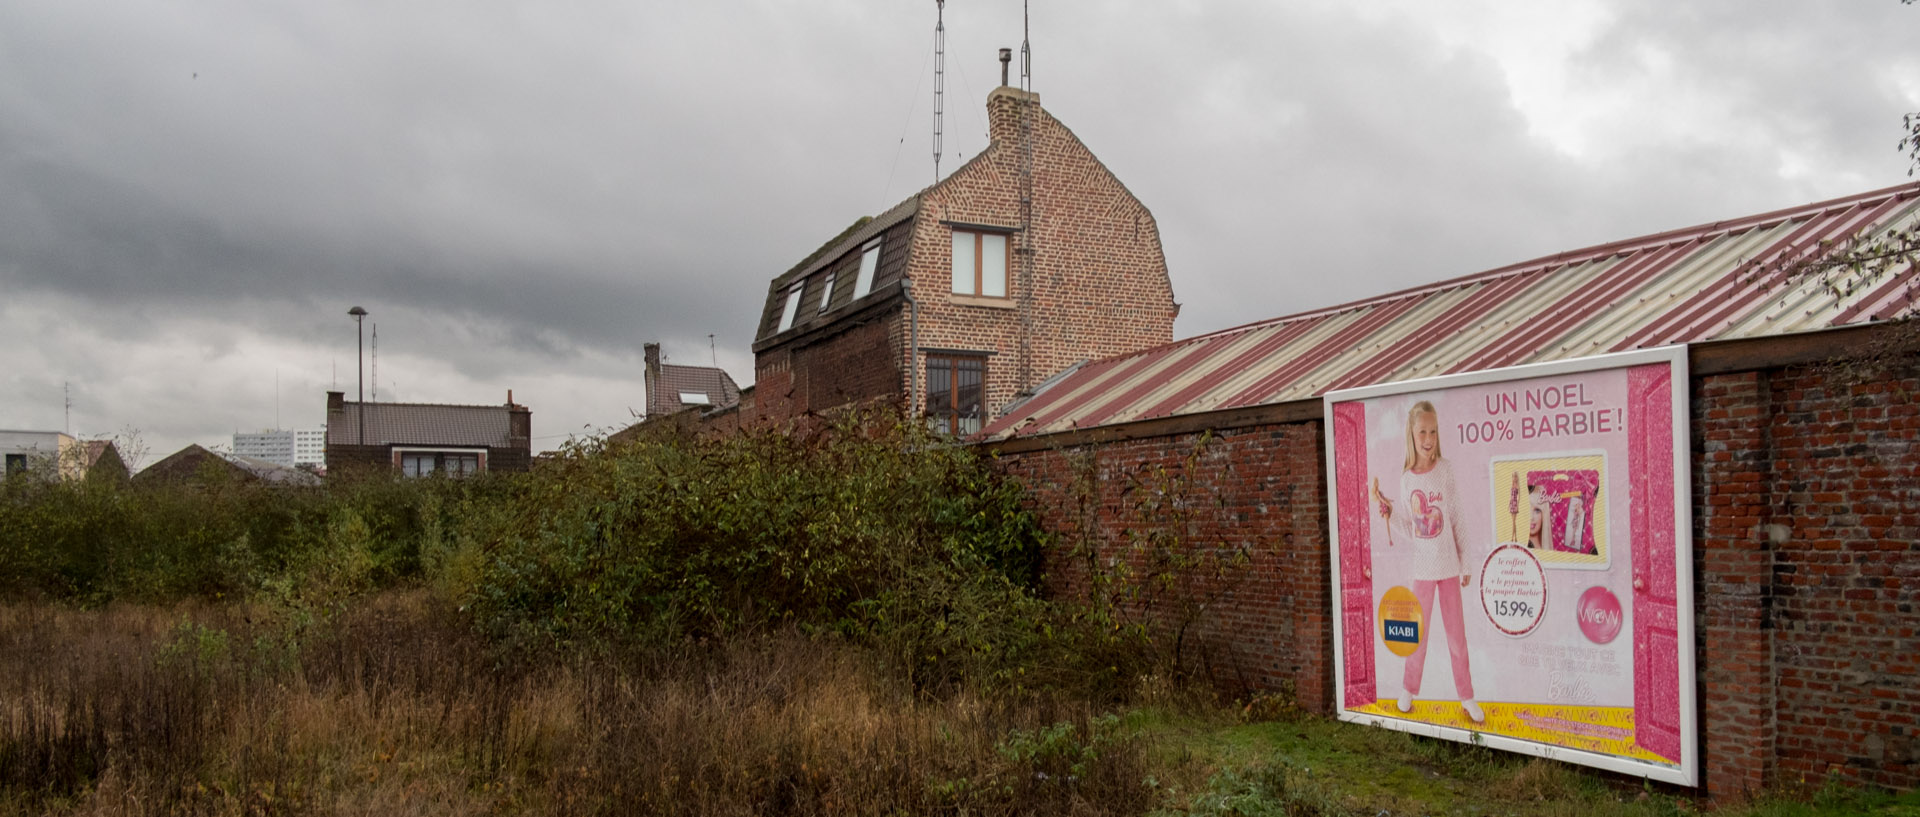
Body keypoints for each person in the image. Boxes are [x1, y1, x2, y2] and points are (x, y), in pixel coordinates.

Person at [1370, 400, 1483, 724]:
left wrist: (1466, 563)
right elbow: (1412, 528)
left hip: (1448, 568)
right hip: (1422, 569)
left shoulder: (1445, 471)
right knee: (1415, 633)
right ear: (1412, 434)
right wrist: (1390, 514)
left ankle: (1467, 696)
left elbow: (1457, 517)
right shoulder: (1407, 480)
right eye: (1423, 431)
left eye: (1433, 431)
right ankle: (1409, 687)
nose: (1429, 437)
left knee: (1456, 637)